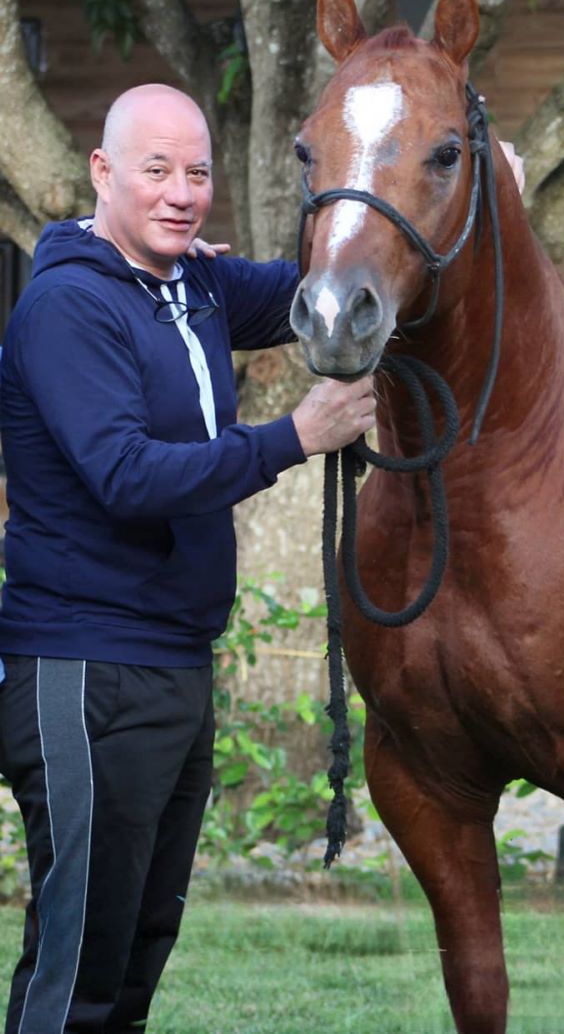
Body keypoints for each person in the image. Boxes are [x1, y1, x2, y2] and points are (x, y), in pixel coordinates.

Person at [0, 83, 375, 1034]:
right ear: (103, 173)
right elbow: (125, 475)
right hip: (84, 668)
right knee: (80, 962)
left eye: (197, 172)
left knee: (135, 953)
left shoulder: (192, 283)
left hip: (174, 661)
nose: (180, 192)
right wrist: (294, 436)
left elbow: (320, 282)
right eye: (156, 170)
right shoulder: (69, 308)